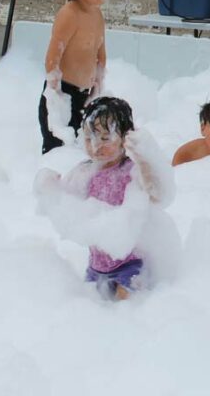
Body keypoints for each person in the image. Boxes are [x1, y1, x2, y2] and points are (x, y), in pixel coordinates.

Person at [35, 97, 175, 300]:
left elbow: (157, 195)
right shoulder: (84, 171)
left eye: (104, 138)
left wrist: (144, 158)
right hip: (97, 267)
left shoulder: (132, 171)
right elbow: (66, 203)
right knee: (89, 305)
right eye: (89, 137)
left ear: (125, 138)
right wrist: (50, 187)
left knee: (126, 302)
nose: (95, 146)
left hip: (132, 263)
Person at [39, 0, 111, 153]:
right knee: (59, 148)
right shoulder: (69, 14)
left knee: (82, 146)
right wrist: (54, 93)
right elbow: (54, 54)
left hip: (85, 94)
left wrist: (98, 82)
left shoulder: (96, 13)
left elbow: (100, 50)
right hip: (62, 93)